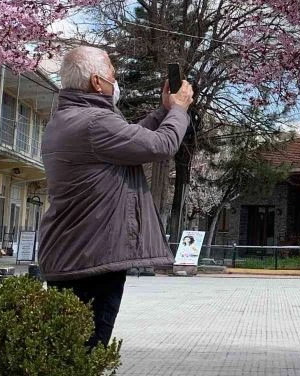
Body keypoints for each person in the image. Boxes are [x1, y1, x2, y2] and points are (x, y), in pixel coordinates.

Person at [39, 46, 193, 349]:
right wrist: (178, 111)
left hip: (73, 256)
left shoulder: (70, 119)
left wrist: (163, 111)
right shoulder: (96, 122)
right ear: (97, 82)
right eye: (111, 71)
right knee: (86, 351)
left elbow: (130, 140)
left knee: (69, 350)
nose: (115, 77)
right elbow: (161, 145)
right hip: (91, 262)